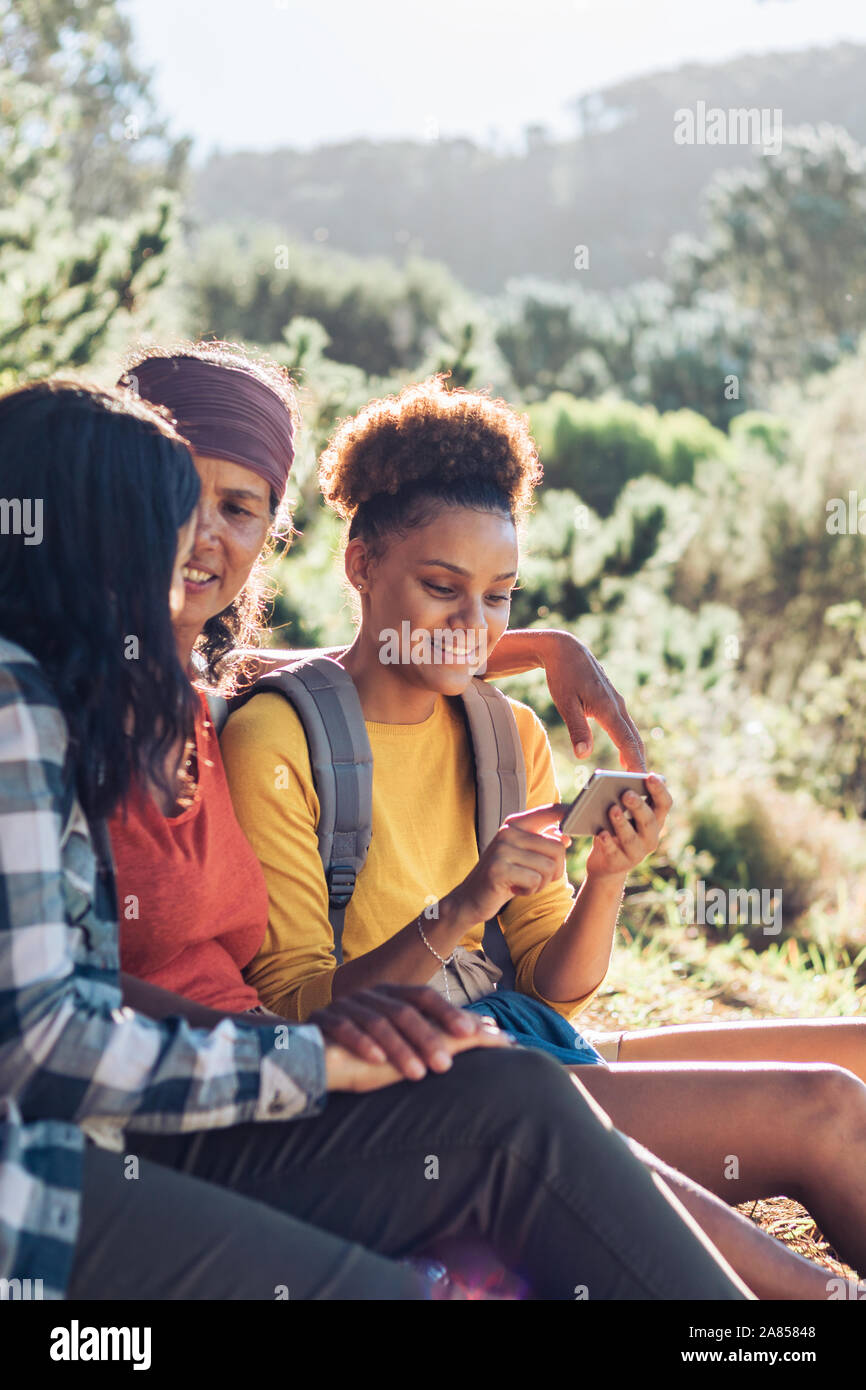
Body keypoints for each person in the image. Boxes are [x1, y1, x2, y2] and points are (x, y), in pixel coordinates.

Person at [0, 376, 753, 1303]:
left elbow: (353, 660)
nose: (197, 547)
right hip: (128, 1138)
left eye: (239, 511)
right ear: (93, 538)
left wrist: (541, 647)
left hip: (232, 1079)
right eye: (173, 515)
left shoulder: (152, 692)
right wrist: (317, 1051)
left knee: (524, 1104)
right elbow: (44, 1036)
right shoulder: (32, 710)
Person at [219, 375, 866, 1288]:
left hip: (526, 1049)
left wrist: (606, 879)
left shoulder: (505, 735)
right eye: (443, 588)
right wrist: (467, 899)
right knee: (825, 1109)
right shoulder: (278, 739)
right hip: (419, 1101)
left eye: (500, 598)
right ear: (360, 563)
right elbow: (299, 1015)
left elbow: (554, 989)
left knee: (849, 1071)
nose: (473, 629)